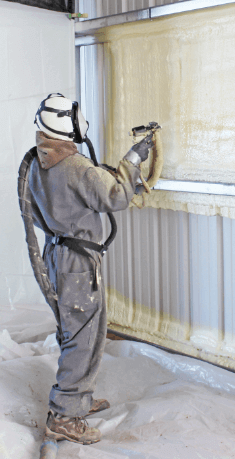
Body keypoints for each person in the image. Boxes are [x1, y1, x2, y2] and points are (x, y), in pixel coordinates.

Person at [28, 93, 153, 444]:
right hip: (78, 264)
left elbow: (37, 213)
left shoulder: (38, 162)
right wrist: (133, 159)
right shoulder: (75, 167)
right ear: (68, 123)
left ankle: (77, 399)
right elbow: (114, 196)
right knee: (83, 338)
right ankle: (65, 417)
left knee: (84, 330)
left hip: (60, 257)